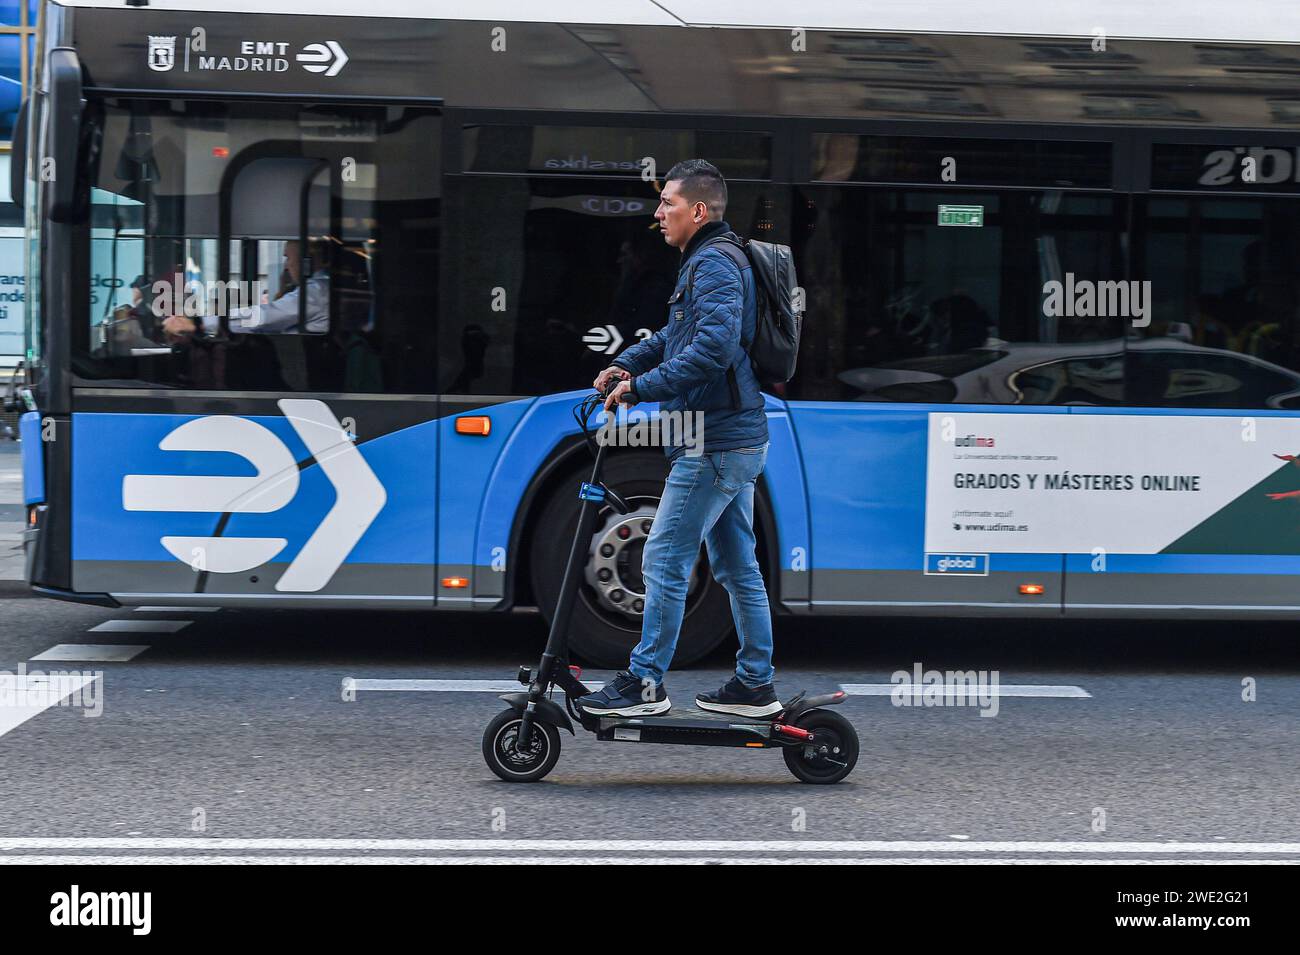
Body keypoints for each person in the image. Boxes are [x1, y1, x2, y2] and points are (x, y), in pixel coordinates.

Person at [577, 159, 778, 719]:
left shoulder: (713, 261)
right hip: (726, 437)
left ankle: (645, 682)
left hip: (715, 442)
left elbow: (711, 349)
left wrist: (639, 389)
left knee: (663, 554)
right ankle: (755, 684)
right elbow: (677, 334)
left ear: (697, 210)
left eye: (667, 203)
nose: (657, 212)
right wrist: (625, 364)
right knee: (737, 565)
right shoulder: (707, 260)